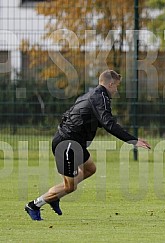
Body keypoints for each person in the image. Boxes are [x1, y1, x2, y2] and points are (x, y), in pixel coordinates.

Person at [25, 70, 151, 221]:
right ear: (110, 84)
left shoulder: (92, 95)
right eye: (116, 86)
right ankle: (34, 205)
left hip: (74, 143)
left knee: (90, 169)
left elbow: (81, 116)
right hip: (67, 144)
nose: (116, 90)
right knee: (69, 187)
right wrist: (133, 141)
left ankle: (54, 196)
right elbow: (109, 124)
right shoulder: (100, 97)